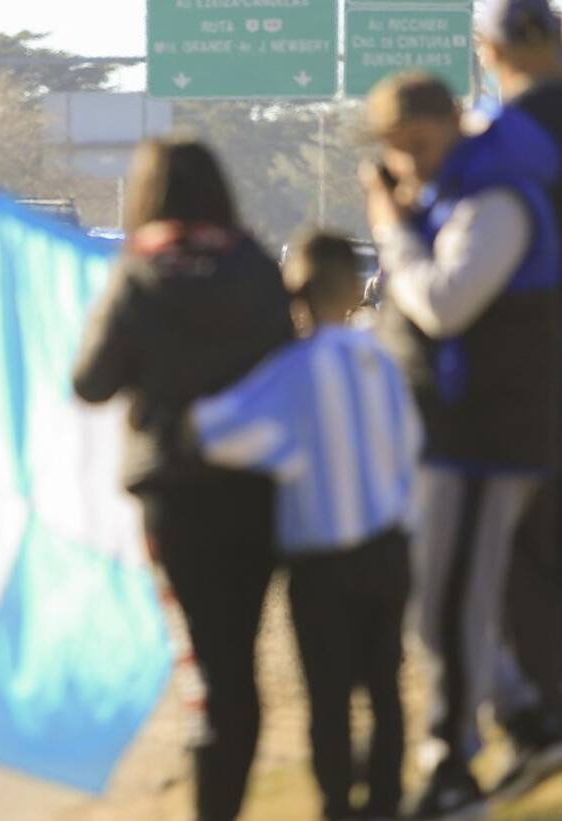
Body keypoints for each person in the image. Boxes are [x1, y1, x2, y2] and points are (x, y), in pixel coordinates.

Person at [72, 138, 293, 821]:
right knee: (239, 657)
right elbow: (288, 358)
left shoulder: (140, 268)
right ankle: (228, 798)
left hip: (173, 490)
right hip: (255, 486)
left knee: (201, 656)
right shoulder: (253, 262)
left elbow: (91, 381)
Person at [364, 72, 561, 819]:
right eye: (395, 152)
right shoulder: (457, 193)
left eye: (419, 145)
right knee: (448, 600)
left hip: (488, 438)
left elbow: (445, 305)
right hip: (461, 435)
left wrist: (391, 227)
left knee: (449, 606)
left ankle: (452, 768)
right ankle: (523, 716)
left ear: (455, 124)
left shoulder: (497, 198)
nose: (410, 164)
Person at [188, 233, 420, 821]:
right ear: (353, 289)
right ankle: (389, 801)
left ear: (296, 293)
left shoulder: (294, 368)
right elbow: (412, 443)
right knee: (385, 691)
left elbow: (222, 433)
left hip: (324, 566)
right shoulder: (381, 358)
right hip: (390, 550)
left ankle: (338, 804)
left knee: (330, 699)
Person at [476, 0, 562, 802]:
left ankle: (542, 720)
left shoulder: (503, 141)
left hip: (528, 382)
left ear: (487, 50)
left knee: (519, 559)